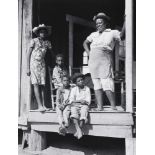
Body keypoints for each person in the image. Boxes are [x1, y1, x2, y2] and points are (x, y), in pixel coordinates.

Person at [83, 12, 125, 111]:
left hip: (104, 61)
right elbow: (85, 42)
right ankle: (100, 107)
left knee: (107, 84)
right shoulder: (93, 34)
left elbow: (122, 36)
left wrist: (125, 22)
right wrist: (89, 53)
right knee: (97, 85)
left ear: (105, 23)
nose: (98, 25)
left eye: (100, 23)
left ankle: (113, 106)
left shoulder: (112, 32)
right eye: (97, 23)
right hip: (93, 63)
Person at [27, 24, 52, 112]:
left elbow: (50, 54)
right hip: (33, 63)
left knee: (42, 84)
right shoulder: (33, 41)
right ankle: (39, 105)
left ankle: (44, 104)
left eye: (44, 32)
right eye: (41, 32)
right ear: (38, 33)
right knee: (36, 83)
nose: (43, 34)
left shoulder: (47, 43)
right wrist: (27, 67)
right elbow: (28, 54)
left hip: (42, 64)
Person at [69, 73, 91, 139]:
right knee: (73, 111)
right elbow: (71, 100)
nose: (81, 81)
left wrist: (83, 102)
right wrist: (79, 101)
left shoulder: (87, 89)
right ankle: (78, 130)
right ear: (76, 83)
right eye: (79, 81)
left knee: (84, 111)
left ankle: (79, 129)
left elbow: (88, 101)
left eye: (81, 80)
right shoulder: (74, 89)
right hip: (75, 105)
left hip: (84, 105)